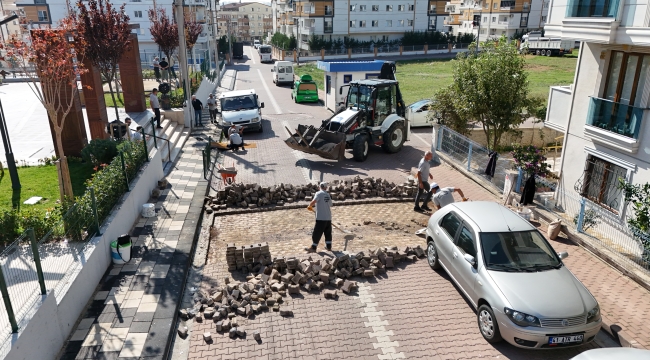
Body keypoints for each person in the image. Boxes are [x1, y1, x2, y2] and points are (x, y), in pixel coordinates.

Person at [306, 182, 332, 252]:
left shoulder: (318, 193)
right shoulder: (327, 194)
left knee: (317, 233)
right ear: (326, 187)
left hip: (321, 217)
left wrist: (309, 206)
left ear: (320, 186)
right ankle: (329, 247)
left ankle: (313, 247)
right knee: (328, 233)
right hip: (328, 217)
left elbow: (314, 201)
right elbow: (331, 204)